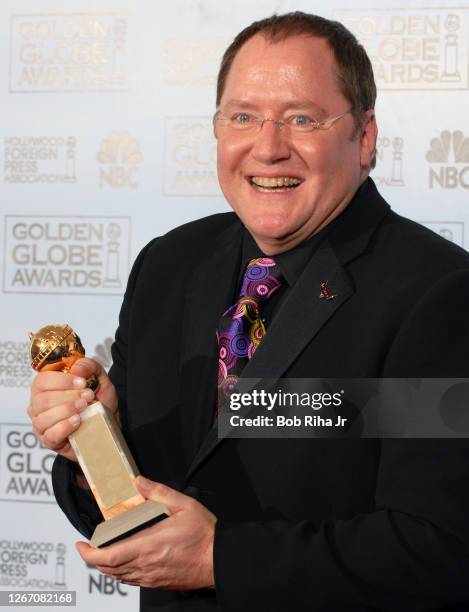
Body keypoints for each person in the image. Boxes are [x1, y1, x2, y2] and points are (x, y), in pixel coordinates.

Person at [28, 12, 469, 612]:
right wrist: (94, 446)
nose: (268, 146)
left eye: (301, 119)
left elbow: (438, 546)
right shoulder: (168, 265)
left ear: (364, 137)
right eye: (243, 117)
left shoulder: (437, 292)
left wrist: (219, 558)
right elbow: (149, 500)